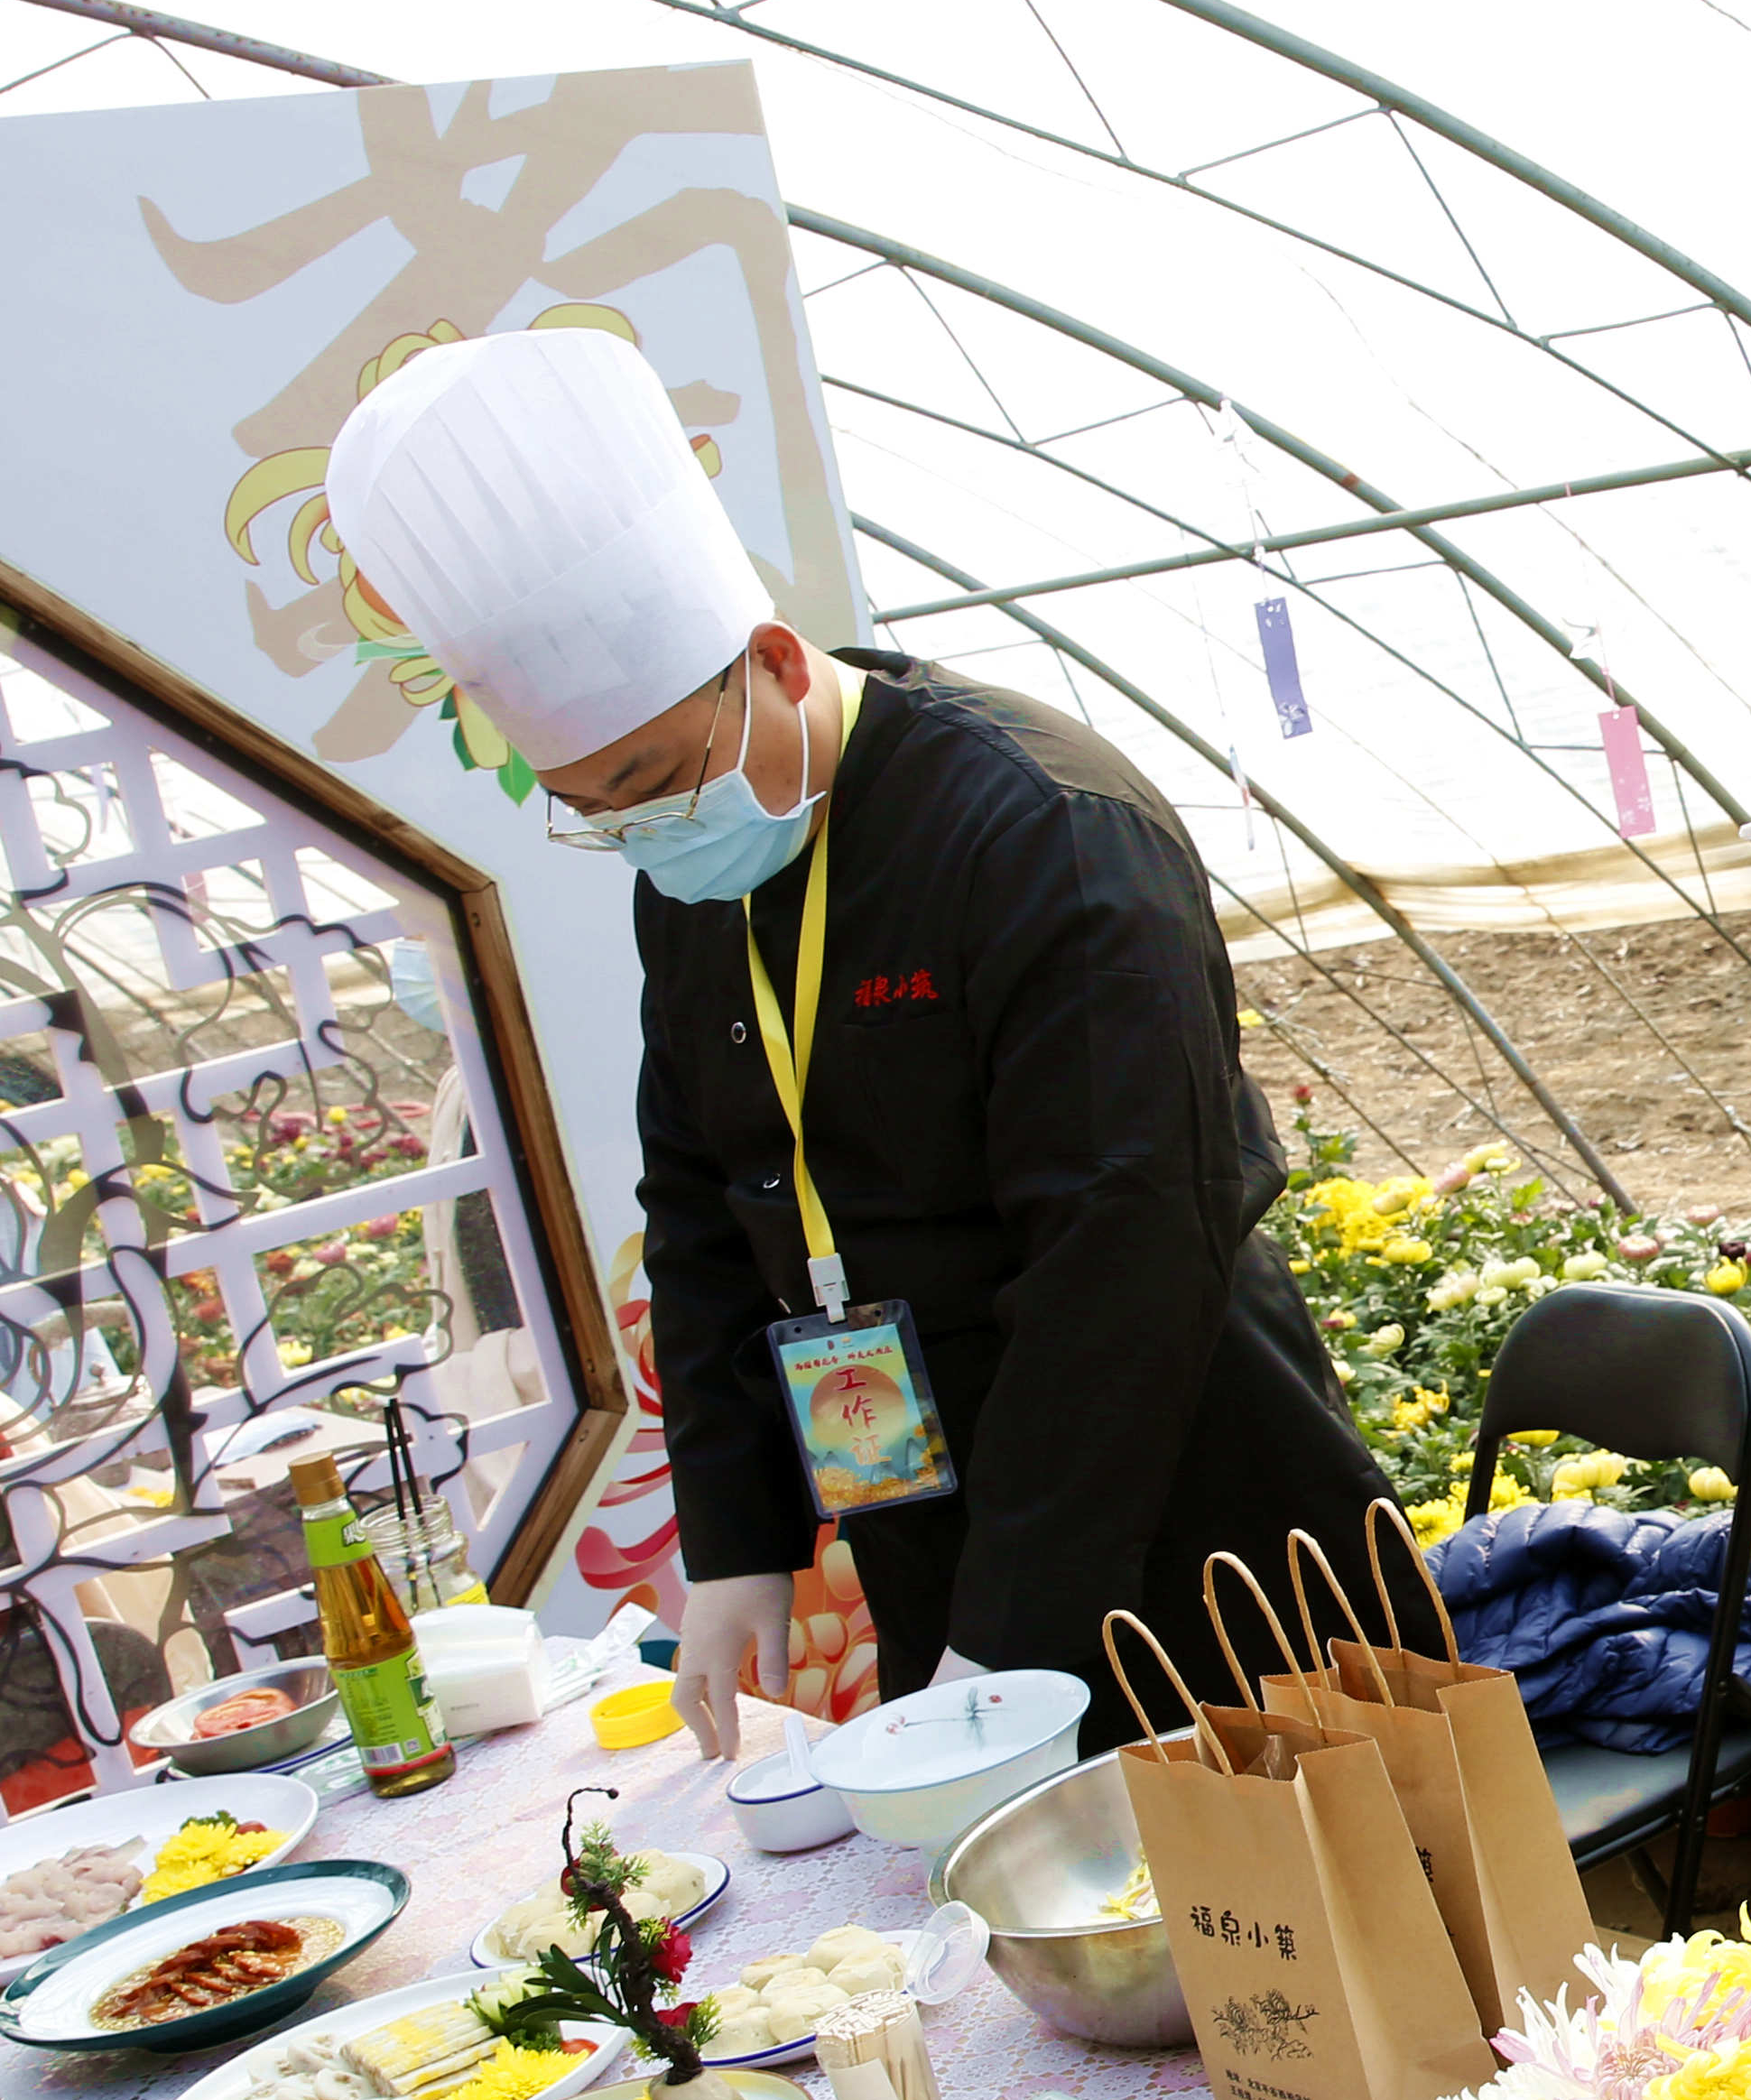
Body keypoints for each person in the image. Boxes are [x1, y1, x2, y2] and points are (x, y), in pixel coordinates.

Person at [329, 330, 1378, 1755]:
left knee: (1285, 1925)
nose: (641, 834)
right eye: (594, 809)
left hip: (1178, 1514)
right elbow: (700, 1214)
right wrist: (735, 1536)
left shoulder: (1046, 832)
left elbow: (1122, 1261)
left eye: (649, 782)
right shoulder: (700, 868)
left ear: (767, 659)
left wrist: (1008, 1640)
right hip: (921, 1500)